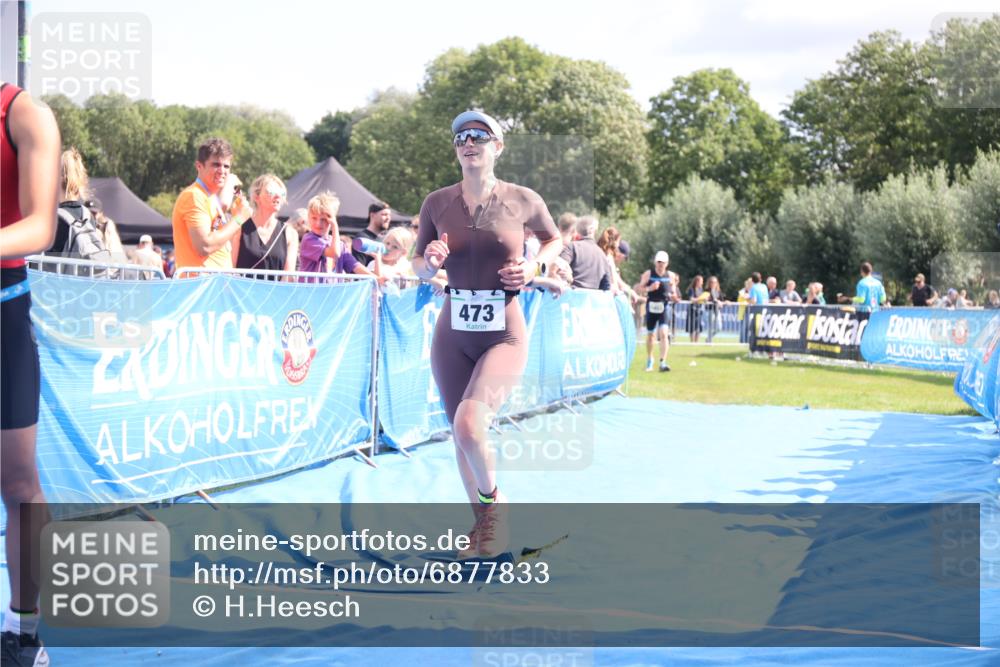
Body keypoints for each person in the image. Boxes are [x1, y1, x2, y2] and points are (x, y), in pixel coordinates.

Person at [412, 110, 562, 559]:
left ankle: (496, 512)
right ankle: (483, 528)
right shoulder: (436, 203)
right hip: (452, 330)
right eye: (460, 136)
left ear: (498, 146)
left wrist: (535, 266)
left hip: (503, 332)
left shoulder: (522, 199)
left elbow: (554, 241)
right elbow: (418, 267)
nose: (468, 141)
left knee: (469, 424)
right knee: (461, 434)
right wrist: (430, 262)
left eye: (479, 135)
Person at [1, 81, 60, 667]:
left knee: (18, 484)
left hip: (2, 312)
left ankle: (24, 634)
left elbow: (39, 226)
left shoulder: (24, 113)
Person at [171, 138, 251, 272]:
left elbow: (220, 242)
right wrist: (239, 219)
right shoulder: (194, 196)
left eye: (226, 166)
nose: (222, 171)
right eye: (216, 165)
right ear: (199, 166)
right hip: (201, 287)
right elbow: (205, 246)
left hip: (214, 286)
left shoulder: (210, 197)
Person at [298, 192, 380, 284]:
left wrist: (377, 279)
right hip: (310, 295)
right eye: (314, 218)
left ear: (332, 219)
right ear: (308, 217)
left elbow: (355, 266)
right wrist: (335, 226)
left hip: (333, 295)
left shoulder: (341, 245)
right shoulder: (308, 239)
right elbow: (334, 253)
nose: (318, 223)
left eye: (324, 219)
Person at [232, 174, 298, 280]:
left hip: (274, 294)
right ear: (256, 196)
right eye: (271, 192)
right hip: (243, 294)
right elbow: (230, 269)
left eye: (281, 193)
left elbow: (288, 277)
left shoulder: (290, 234)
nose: (277, 196)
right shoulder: (240, 229)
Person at [636, 250, 678, 371]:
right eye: (659, 262)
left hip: (664, 306)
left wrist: (674, 296)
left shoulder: (671, 275)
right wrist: (650, 288)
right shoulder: (648, 274)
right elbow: (639, 288)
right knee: (650, 335)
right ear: (655, 262)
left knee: (664, 334)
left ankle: (663, 362)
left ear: (667, 263)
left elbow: (673, 291)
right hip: (651, 306)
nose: (660, 265)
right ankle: (650, 359)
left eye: (663, 262)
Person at [559, 215, 611, 290]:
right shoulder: (602, 255)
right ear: (593, 230)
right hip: (591, 299)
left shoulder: (572, 247)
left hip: (570, 297)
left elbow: (559, 268)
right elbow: (607, 286)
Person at [352, 200, 392, 265]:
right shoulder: (362, 238)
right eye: (384, 214)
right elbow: (358, 266)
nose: (388, 218)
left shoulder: (386, 239)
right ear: (372, 215)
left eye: (389, 215)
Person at [687, 274, 706, 343]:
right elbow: (691, 299)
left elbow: (702, 298)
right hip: (692, 310)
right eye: (701, 281)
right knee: (692, 327)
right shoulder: (691, 289)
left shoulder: (701, 289)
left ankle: (697, 342)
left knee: (699, 326)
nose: (702, 283)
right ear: (697, 281)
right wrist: (700, 299)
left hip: (699, 310)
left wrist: (704, 299)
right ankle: (692, 342)